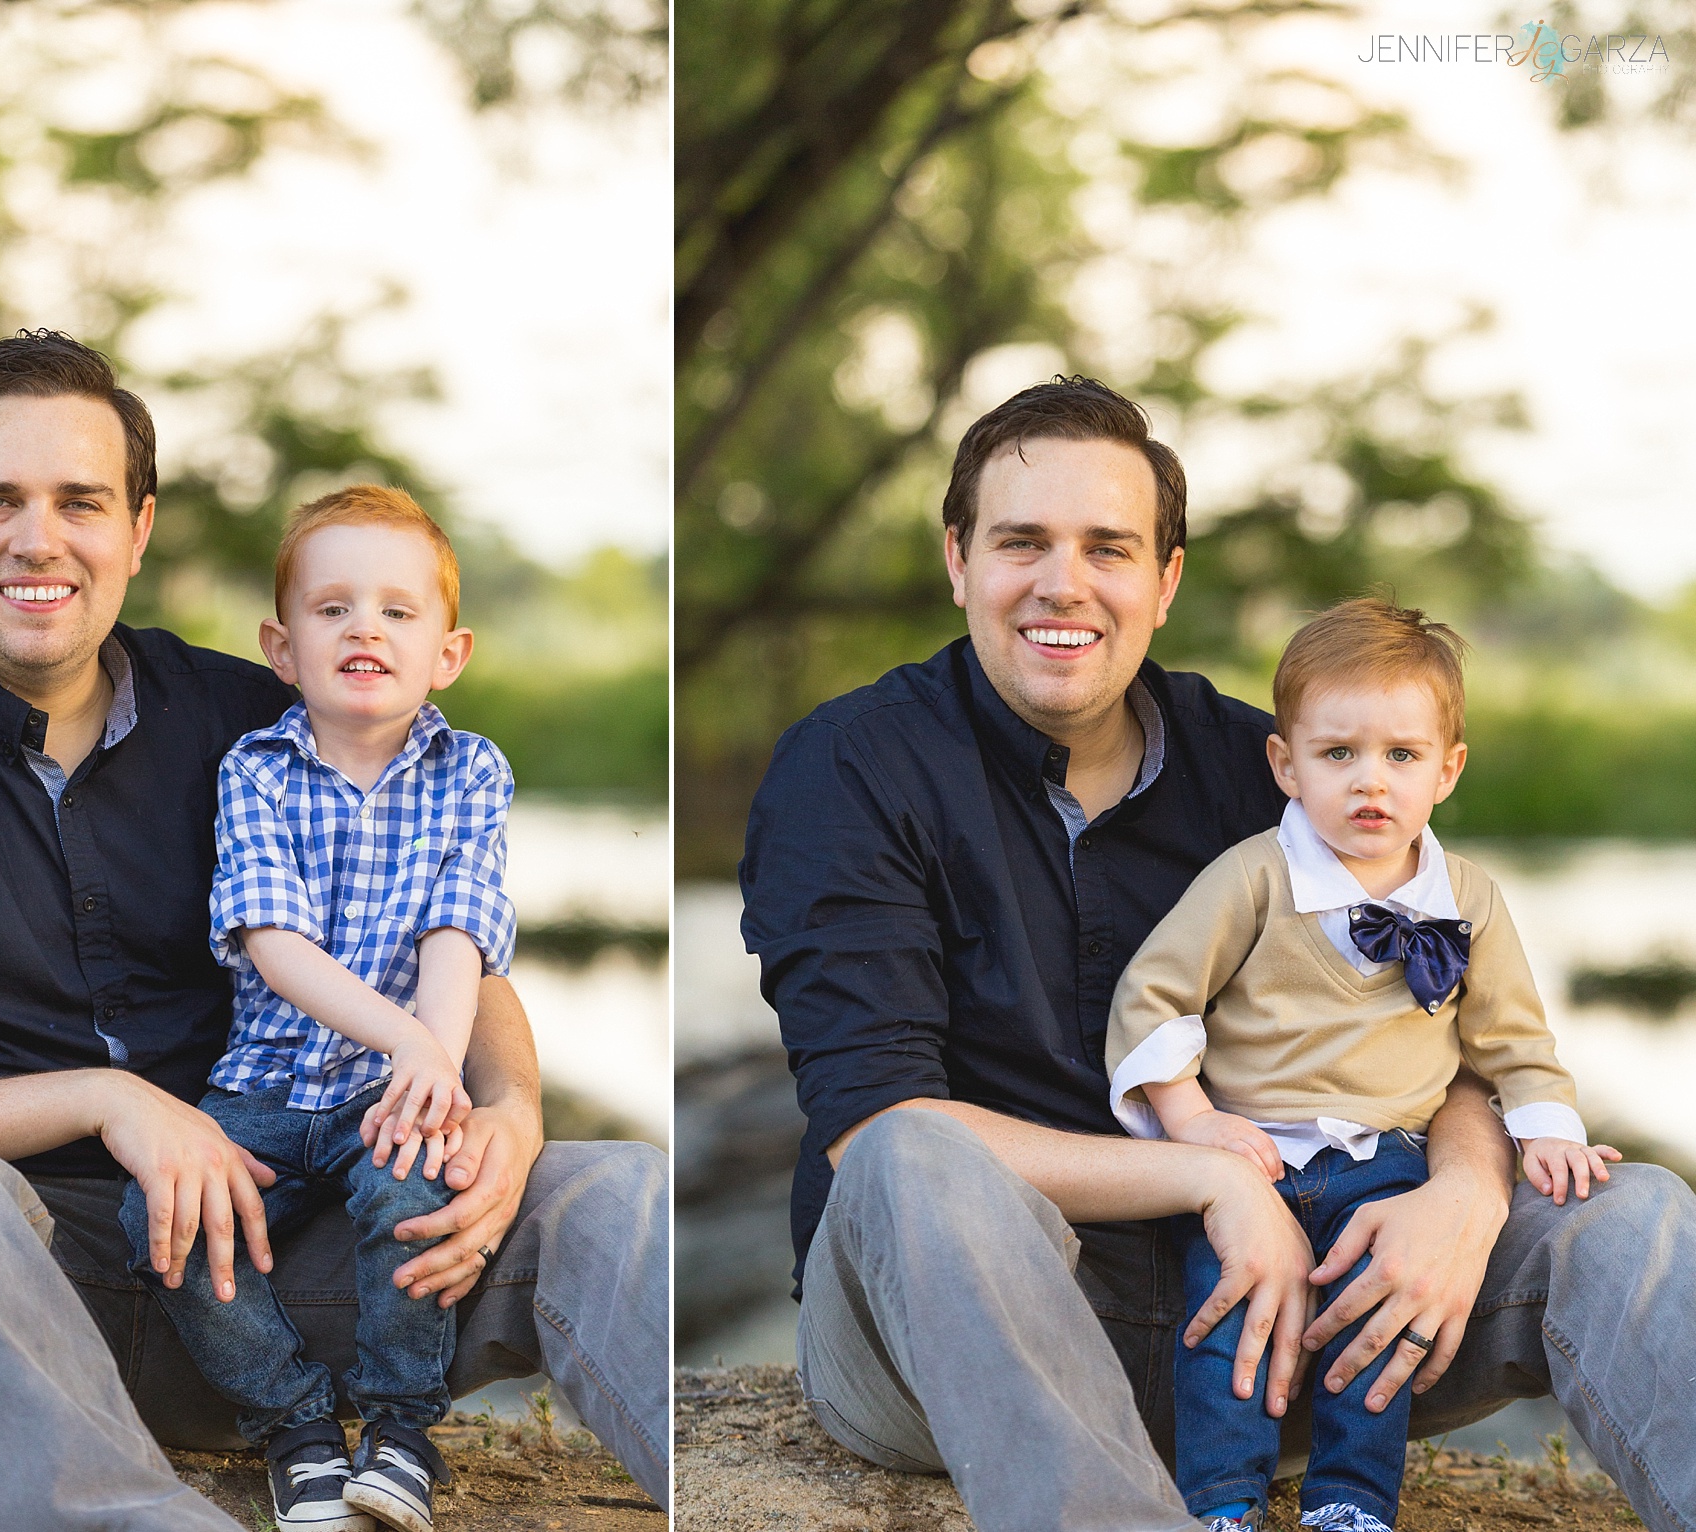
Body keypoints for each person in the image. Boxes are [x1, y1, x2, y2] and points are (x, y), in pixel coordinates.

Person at [0, 331, 668, 1531]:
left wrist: (511, 1115)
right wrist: (107, 1100)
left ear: (138, 527)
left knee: (610, 1190)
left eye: (80, 501)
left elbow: (452, 950)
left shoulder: (266, 721)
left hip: (254, 1286)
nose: (36, 539)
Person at [738, 374, 1696, 1531]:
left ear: (1164, 578)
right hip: (954, 1342)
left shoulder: (1272, 769)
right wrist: (1208, 1173)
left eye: (1108, 547)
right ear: (957, 558)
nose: (1062, 583)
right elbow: (872, 1127)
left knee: (1630, 1211)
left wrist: (1463, 1186)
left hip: (1286, 1320)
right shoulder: (847, 767)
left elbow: (1446, 1042)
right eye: (1020, 541)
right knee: (914, 1159)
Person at [1105, 598, 1618, 1532]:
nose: (1369, 782)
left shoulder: (1468, 897)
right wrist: (1193, 1123)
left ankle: (1350, 1502)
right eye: (1338, 754)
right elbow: (1153, 999)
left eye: (1402, 756)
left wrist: (1547, 1130)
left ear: (1447, 770)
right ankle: (1221, 1502)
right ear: (1286, 765)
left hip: (1390, 1160)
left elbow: (1512, 1040)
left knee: (1377, 1325)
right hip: (1250, 1156)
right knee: (1228, 1324)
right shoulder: (1251, 878)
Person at [119, 485, 514, 1532]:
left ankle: (398, 1431)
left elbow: (455, 930)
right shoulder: (254, 769)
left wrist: (428, 1067)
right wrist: (411, 1041)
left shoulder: (470, 770)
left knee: (415, 1190)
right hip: (261, 1083)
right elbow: (273, 941)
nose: (364, 628)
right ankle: (293, 1422)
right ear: (281, 648)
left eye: (396, 609)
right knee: (159, 1216)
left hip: (391, 1082)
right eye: (332, 608)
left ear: (448, 651)